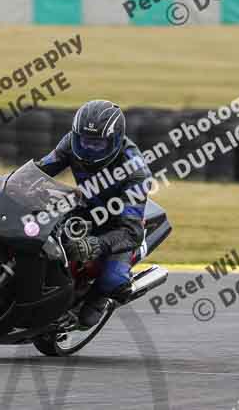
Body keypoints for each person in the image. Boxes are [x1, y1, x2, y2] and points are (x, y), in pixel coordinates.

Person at [35, 99, 152, 328]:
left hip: (117, 224)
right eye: (84, 141)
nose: (88, 149)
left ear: (116, 141)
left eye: (97, 144)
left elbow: (132, 233)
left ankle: (97, 300)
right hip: (85, 207)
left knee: (113, 282)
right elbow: (41, 169)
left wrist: (96, 245)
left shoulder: (136, 172)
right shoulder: (71, 142)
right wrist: (8, 182)